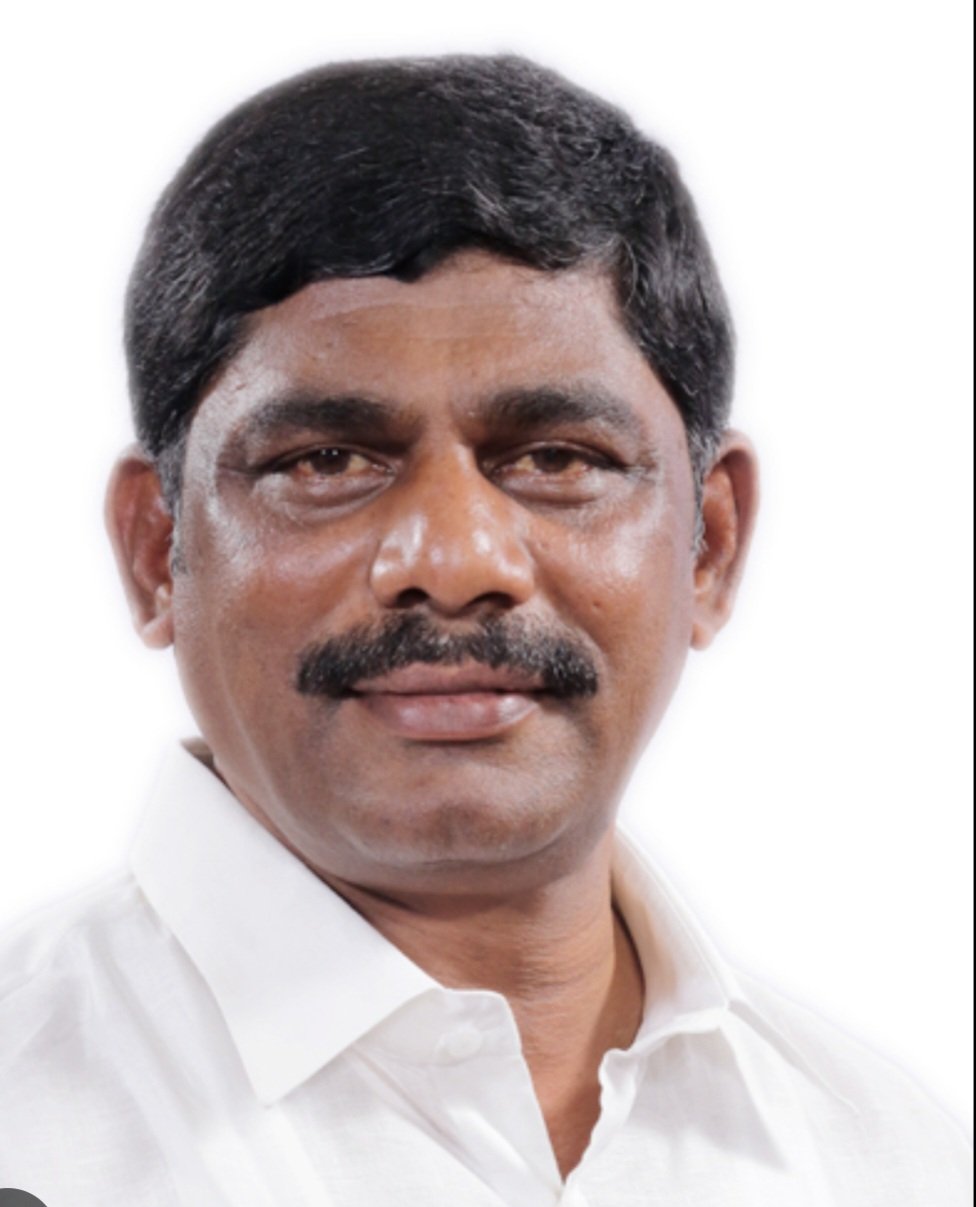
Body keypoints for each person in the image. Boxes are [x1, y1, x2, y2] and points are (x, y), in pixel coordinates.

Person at [0, 54, 969, 1207]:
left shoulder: (889, 1158)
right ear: (156, 551)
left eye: (557, 458)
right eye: (325, 461)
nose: (455, 562)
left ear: (708, 545)